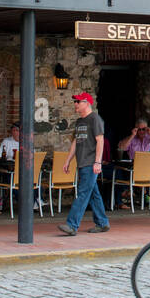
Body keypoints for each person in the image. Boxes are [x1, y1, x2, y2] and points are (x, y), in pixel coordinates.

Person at [59, 92, 109, 236]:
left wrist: (97, 162)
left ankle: (72, 224)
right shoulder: (80, 122)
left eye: (78, 101)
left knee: (83, 193)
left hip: (90, 163)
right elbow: (75, 141)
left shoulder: (95, 119)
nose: (75, 104)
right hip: (82, 162)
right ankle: (102, 223)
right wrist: (68, 160)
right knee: (93, 194)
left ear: (87, 103)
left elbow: (100, 140)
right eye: (75, 101)